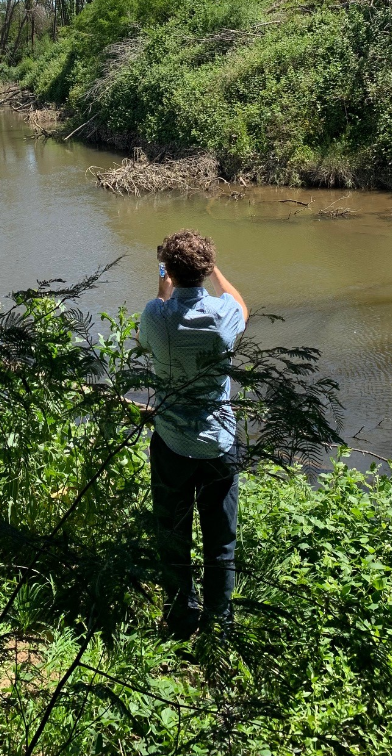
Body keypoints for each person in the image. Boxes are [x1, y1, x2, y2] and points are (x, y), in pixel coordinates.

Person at [138, 229, 248, 638]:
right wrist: (215, 272)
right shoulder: (223, 317)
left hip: (171, 442)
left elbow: (156, 323)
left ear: (169, 269)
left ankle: (180, 618)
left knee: (173, 533)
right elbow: (242, 306)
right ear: (205, 270)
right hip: (218, 444)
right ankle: (219, 624)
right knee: (221, 540)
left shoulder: (156, 316)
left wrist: (163, 279)